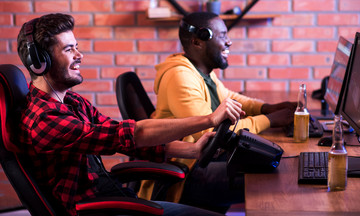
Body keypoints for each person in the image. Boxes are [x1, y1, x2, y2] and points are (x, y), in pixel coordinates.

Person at [16, 13, 245, 216]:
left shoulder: (72, 102)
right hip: (102, 210)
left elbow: (124, 139)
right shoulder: (45, 120)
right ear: (40, 62)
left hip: (115, 200)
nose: (79, 55)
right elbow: (133, 133)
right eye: (69, 49)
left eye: (76, 46)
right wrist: (208, 120)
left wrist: (192, 149)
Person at [139, 12, 297, 213]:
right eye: (222, 36)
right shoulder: (180, 76)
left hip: (205, 159)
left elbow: (229, 97)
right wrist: (269, 120)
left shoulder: (200, 71)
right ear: (198, 42)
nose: (229, 42)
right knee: (271, 176)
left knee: (273, 163)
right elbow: (213, 133)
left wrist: (265, 108)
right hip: (189, 171)